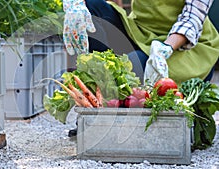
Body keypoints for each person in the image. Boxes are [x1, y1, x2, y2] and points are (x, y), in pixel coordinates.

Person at [63, 0, 219, 137]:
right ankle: (94, 114)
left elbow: (192, 19)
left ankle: (115, 119)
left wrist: (165, 49)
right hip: (140, 33)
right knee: (92, 8)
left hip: (183, 46)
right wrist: (74, 4)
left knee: (133, 66)